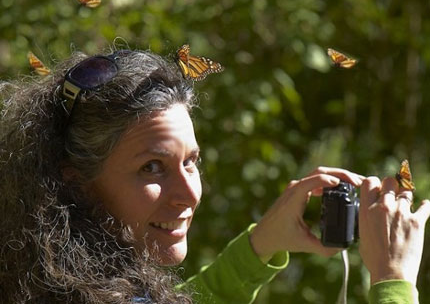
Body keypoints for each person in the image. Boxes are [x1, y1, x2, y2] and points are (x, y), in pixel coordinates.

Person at [0, 48, 428, 303]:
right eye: (152, 167)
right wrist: (393, 280)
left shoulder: (48, 279)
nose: (189, 193)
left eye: (192, 161)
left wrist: (260, 246)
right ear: (75, 180)